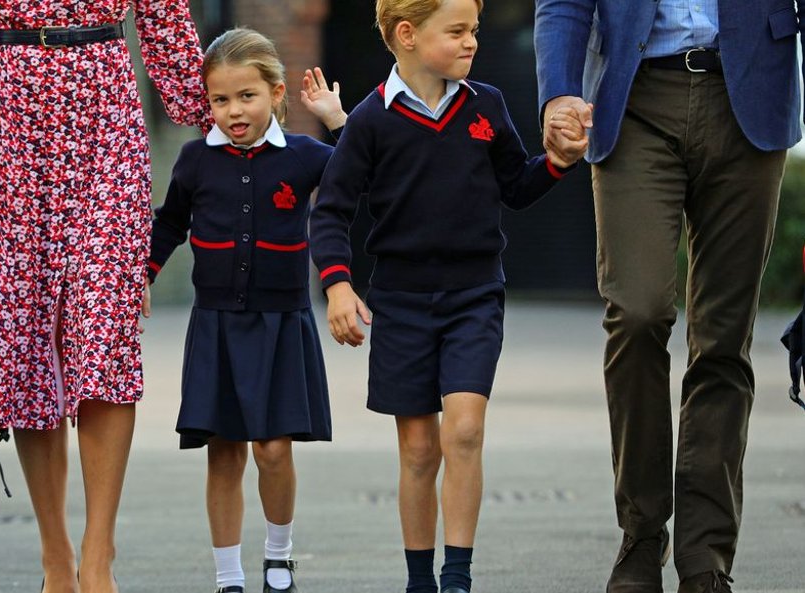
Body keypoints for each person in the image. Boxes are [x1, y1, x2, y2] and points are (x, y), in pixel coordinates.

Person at [0, 1, 209, 591]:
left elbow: (165, 19)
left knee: (105, 335)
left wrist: (220, 118)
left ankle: (98, 552)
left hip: (107, 117)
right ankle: (55, 557)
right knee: (24, 343)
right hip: (13, 122)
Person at [308, 1, 587, 592]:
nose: (471, 43)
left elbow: (516, 184)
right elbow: (331, 210)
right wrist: (336, 284)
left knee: (463, 430)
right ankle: (420, 580)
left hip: (474, 296)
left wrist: (557, 164)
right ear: (407, 35)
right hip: (402, 303)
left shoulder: (486, 104)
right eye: (457, 31)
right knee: (416, 449)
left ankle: (456, 575)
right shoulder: (369, 121)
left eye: (475, 31)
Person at [535, 1, 803, 592]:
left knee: (724, 338)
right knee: (636, 311)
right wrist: (557, 92)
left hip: (752, 93)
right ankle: (641, 533)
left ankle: (706, 556)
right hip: (633, 98)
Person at [142, 28, 347, 593]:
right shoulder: (194, 160)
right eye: (220, 100)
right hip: (216, 326)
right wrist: (145, 274)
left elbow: (365, 179)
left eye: (247, 96)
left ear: (277, 93)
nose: (233, 111)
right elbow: (169, 222)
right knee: (224, 452)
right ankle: (228, 575)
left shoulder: (305, 157)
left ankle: (278, 557)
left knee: (274, 450)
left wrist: (337, 121)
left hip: (282, 323)